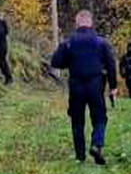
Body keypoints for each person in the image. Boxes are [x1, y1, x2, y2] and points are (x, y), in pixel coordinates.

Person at [50, 10, 119, 165]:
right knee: (100, 117)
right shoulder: (101, 42)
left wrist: (70, 62)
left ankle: (80, 156)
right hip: (96, 84)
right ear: (91, 23)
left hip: (76, 85)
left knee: (77, 120)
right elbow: (111, 64)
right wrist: (113, 86)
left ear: (77, 23)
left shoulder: (68, 42)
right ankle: (96, 144)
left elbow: (55, 61)